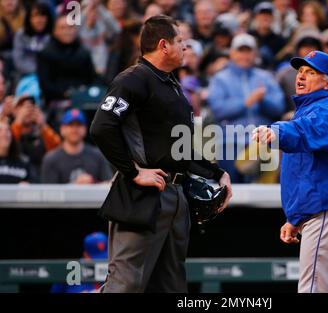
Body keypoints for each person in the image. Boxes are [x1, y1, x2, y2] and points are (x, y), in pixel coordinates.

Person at [90, 15, 232, 293]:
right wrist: (133, 172)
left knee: (171, 287)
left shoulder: (172, 84)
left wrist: (217, 173)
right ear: (164, 45)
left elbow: (182, 148)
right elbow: (101, 127)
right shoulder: (133, 78)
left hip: (176, 196)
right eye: (181, 41)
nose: (186, 47)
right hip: (142, 195)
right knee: (126, 284)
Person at [253, 51, 328, 293]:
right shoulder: (310, 108)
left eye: (311, 72)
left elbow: (303, 132)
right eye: (300, 71)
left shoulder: (326, 109)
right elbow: (307, 171)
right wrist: (295, 218)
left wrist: (278, 132)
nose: (301, 76)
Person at [207, 33, 284, 183]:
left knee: (263, 196)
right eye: (240, 51)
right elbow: (218, 109)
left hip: (262, 145)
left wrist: (263, 100)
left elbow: (279, 108)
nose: (244, 55)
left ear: (255, 54)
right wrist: (246, 102)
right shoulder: (220, 78)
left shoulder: (265, 77)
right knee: (231, 193)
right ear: (232, 53)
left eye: (248, 51)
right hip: (230, 143)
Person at [41, 108, 112, 184]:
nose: (75, 129)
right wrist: (75, 185)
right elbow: (49, 192)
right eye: (70, 125)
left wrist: (93, 183)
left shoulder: (98, 155)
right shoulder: (51, 159)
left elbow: (108, 185)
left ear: (85, 129)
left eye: (79, 125)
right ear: (62, 129)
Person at [0, 119, 30, 183]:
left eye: (7, 130)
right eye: (0, 130)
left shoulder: (23, 162)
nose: (4, 134)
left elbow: (33, 184)